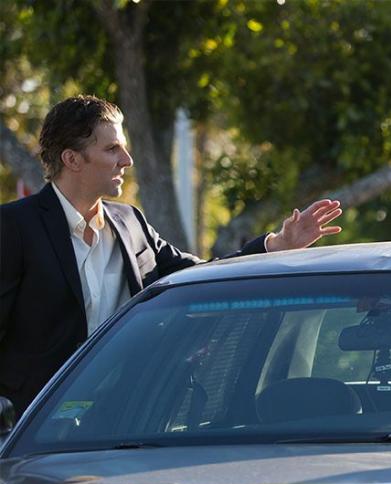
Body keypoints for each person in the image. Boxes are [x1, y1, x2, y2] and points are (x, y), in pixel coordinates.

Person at [0, 95, 343, 417]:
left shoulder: (130, 222)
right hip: (30, 426)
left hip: (119, 421)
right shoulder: (14, 227)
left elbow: (197, 277)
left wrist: (276, 246)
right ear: (72, 159)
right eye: (112, 149)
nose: (127, 160)